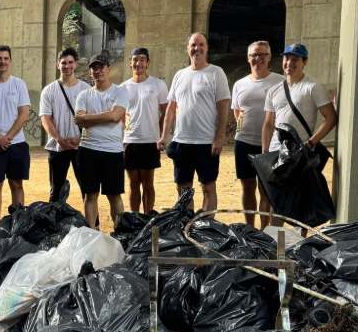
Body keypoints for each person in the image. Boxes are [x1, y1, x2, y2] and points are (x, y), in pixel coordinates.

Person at [262, 43, 338, 227]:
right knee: (276, 203)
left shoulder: (313, 87)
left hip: (300, 154)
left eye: (295, 59)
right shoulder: (274, 90)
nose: (290, 62)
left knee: (300, 204)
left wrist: (310, 144)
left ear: (305, 62)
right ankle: (275, 248)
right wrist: (265, 154)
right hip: (276, 153)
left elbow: (331, 118)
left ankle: (299, 249)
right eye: (287, 58)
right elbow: (268, 124)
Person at [157, 32, 230, 212]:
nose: (197, 49)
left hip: (206, 142)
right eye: (193, 45)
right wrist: (164, 136)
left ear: (206, 48)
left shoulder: (216, 73)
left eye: (201, 45)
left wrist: (219, 138)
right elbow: (171, 109)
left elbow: (223, 108)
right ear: (187, 49)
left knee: (208, 187)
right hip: (182, 141)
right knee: (183, 189)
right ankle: (186, 226)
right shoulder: (180, 75)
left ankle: (206, 228)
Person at [231, 41, 283, 228]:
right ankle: (250, 228)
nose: (257, 59)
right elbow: (237, 112)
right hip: (243, 142)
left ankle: (264, 230)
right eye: (254, 55)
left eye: (262, 55)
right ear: (248, 58)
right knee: (247, 188)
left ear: (269, 57)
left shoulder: (280, 82)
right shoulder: (239, 84)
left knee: (265, 190)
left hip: (269, 144)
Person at [74, 54, 129, 228]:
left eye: (101, 67)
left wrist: (89, 118)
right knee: (90, 196)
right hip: (87, 150)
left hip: (112, 151)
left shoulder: (120, 91)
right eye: (94, 68)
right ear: (90, 72)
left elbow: (115, 116)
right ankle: (91, 234)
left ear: (109, 69)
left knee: (114, 196)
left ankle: (121, 234)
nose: (98, 71)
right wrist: (108, 117)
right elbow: (79, 121)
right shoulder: (83, 95)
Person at [0, 45, 31, 222]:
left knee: (17, 185)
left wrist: (7, 138)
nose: (2, 61)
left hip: (16, 144)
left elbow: (23, 114)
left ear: (10, 61)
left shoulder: (19, 84)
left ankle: (18, 222)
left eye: (5, 58)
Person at [121, 48, 168, 213]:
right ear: (130, 62)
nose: (138, 63)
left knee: (148, 184)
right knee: (133, 184)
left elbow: (167, 111)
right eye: (135, 59)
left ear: (147, 63)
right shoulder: (123, 87)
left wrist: (159, 131)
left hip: (150, 141)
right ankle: (135, 219)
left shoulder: (158, 85)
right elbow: (119, 113)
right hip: (130, 141)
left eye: (142, 59)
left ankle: (148, 219)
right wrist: (127, 126)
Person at [40, 48, 90, 203]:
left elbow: (92, 121)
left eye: (70, 62)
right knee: (56, 190)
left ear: (75, 64)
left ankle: (94, 225)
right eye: (63, 63)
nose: (67, 66)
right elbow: (45, 119)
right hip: (57, 147)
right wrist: (59, 139)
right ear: (57, 65)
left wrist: (80, 139)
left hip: (81, 147)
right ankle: (52, 226)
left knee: (87, 190)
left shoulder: (86, 90)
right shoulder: (49, 90)